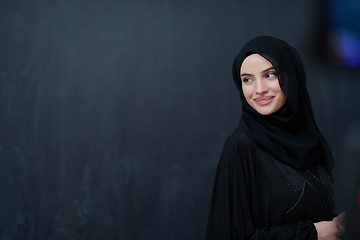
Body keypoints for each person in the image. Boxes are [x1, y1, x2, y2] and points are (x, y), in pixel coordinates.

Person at [205, 36, 345, 240]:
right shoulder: (241, 147)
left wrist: (337, 224)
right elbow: (230, 236)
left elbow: (309, 215)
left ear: (292, 75)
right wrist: (313, 234)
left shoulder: (309, 142)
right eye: (247, 79)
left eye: (269, 74)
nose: (259, 89)